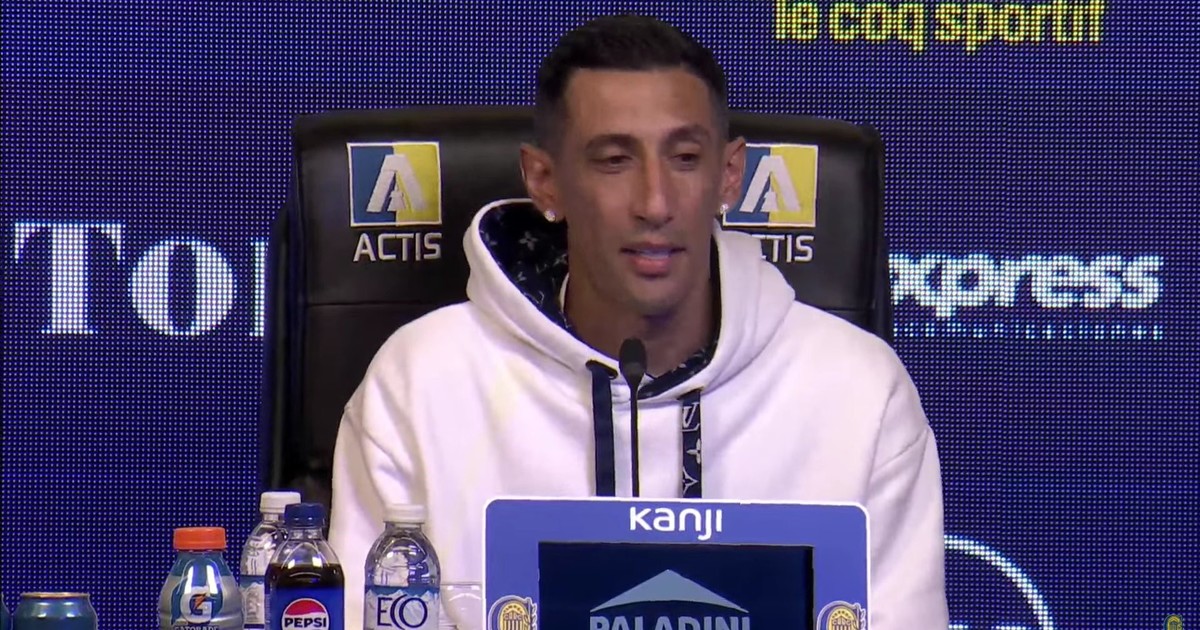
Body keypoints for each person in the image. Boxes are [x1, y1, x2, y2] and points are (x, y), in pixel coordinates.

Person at [329, 12, 949, 630]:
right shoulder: (421, 380)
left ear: (729, 175)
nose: (655, 203)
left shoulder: (858, 390)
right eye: (614, 161)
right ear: (545, 180)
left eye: (685, 158)